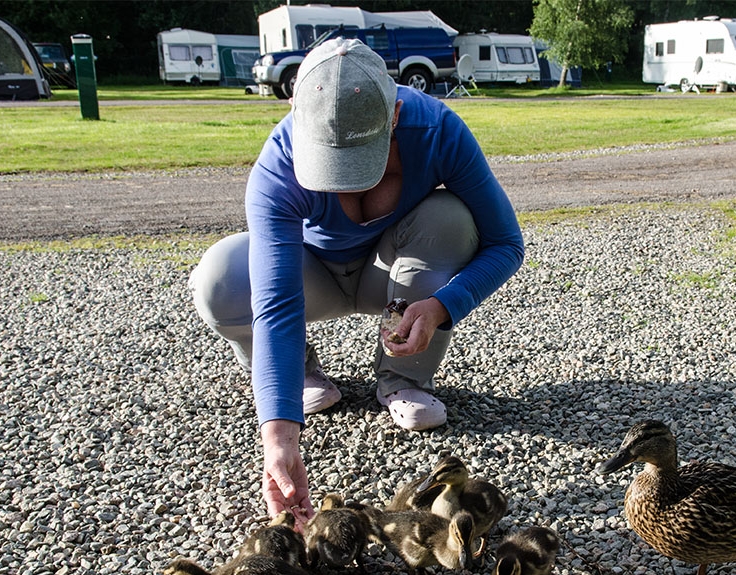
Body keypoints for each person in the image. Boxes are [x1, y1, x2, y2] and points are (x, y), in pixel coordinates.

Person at [188, 38, 524, 524]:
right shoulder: (278, 165)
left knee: (451, 218)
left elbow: (505, 244)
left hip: (390, 275)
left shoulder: (437, 131)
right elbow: (278, 303)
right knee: (218, 281)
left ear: (394, 113)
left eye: (359, 161)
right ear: (294, 107)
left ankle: (403, 376)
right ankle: (298, 377)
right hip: (313, 278)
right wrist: (279, 441)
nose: (346, 182)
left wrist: (442, 306)